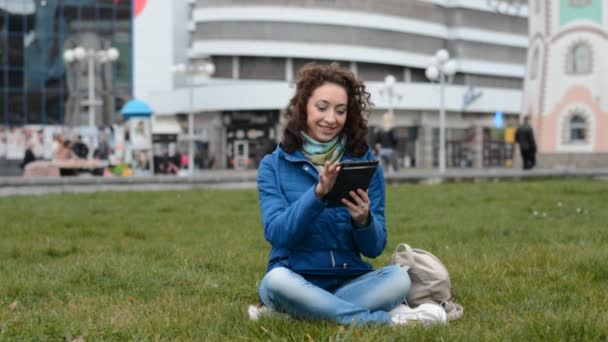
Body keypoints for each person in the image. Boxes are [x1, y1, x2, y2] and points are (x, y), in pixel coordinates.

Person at [255, 63, 446, 326]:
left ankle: (302, 313)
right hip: (294, 278)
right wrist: (317, 195)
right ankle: (388, 321)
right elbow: (277, 233)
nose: (331, 119)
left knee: (399, 278)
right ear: (303, 107)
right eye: (322, 107)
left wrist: (363, 220)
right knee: (275, 282)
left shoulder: (366, 164)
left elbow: (374, 248)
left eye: (340, 110)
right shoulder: (273, 165)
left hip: (350, 281)